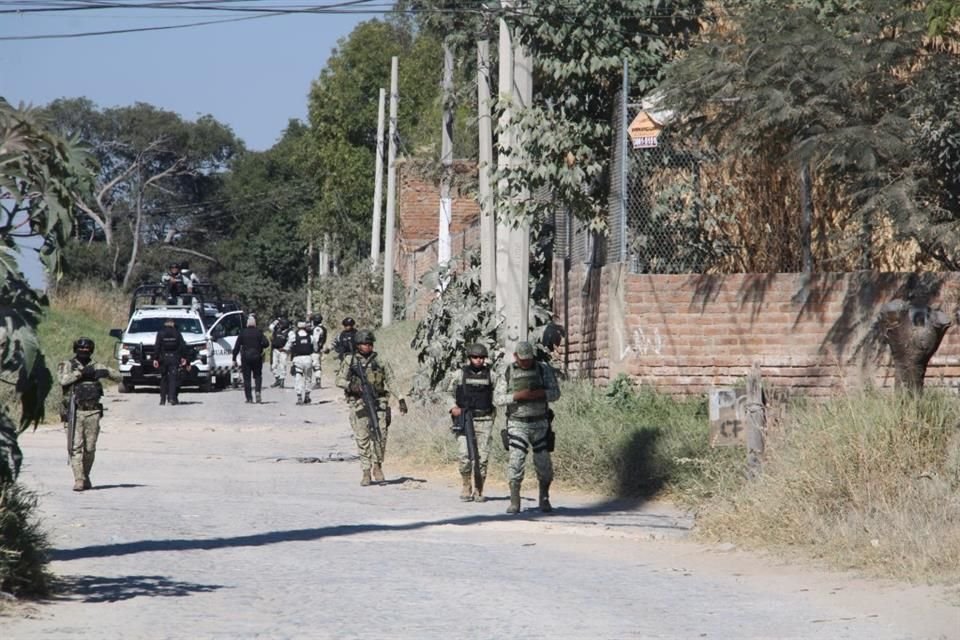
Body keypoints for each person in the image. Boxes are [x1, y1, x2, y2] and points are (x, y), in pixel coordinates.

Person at [493, 340, 561, 514]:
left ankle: (544, 498)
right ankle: (515, 501)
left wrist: (542, 393)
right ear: (516, 357)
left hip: (540, 423)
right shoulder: (508, 371)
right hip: (517, 423)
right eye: (522, 359)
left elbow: (556, 394)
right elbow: (498, 399)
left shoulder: (543, 369)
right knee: (516, 462)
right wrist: (517, 396)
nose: (526, 362)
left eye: (529, 359)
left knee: (544, 464)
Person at [336, 330, 407, 486]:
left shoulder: (380, 360)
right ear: (357, 345)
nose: (367, 347)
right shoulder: (350, 360)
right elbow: (339, 380)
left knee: (380, 436)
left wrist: (400, 398)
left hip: (379, 403)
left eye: (370, 344)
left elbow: (391, 380)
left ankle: (378, 466)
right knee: (362, 439)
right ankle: (366, 471)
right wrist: (351, 386)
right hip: (359, 404)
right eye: (364, 344)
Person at [57, 337, 120, 491]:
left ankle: (85, 475)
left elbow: (119, 377)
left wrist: (104, 372)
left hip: (93, 412)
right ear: (75, 349)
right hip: (74, 412)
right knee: (75, 447)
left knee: (90, 448)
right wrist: (81, 374)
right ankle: (79, 479)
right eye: (80, 349)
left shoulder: (96, 365)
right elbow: (63, 381)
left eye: (87, 349)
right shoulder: (67, 365)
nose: (83, 351)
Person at [443, 343, 496, 502]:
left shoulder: (491, 375)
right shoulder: (459, 375)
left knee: (482, 457)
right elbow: (447, 393)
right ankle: (466, 484)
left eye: (481, 357)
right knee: (465, 455)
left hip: (484, 420)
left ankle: (479, 488)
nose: (478, 360)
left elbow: (498, 395)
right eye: (475, 357)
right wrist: (453, 407)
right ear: (469, 358)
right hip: (465, 419)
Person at [233, 315, 269, 404]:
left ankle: (249, 398)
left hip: (245, 357)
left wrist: (234, 357)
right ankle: (257, 392)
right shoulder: (259, 332)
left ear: (247, 324)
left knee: (247, 378)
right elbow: (266, 343)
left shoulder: (243, 332)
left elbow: (237, 346)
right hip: (257, 357)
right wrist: (260, 346)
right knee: (257, 376)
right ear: (255, 324)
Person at [153, 318, 188, 405]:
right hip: (174, 358)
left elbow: (157, 347)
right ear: (172, 324)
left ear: (165, 324)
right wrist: (183, 357)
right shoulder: (177, 333)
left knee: (163, 378)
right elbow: (182, 346)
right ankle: (171, 398)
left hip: (163, 359)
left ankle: (162, 400)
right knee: (173, 379)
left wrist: (155, 358)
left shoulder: (160, 333)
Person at [285, 320, 315, 405]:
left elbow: (288, 347)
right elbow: (315, 348)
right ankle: (307, 396)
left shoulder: (293, 336)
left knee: (298, 377)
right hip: (308, 358)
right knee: (308, 378)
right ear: (305, 327)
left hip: (297, 359)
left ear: (297, 327)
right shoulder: (310, 337)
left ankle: (299, 397)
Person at [268, 317, 290, 388]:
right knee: (273, 366)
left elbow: (290, 342)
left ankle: (282, 381)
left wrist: (285, 348)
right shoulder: (276, 329)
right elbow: (270, 327)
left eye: (281, 324)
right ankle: (277, 379)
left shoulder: (289, 332)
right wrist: (276, 320)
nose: (279, 325)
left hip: (283, 351)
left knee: (283, 366)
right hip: (275, 350)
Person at [310, 312, 327, 389]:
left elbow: (315, 340)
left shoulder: (317, 329)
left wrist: (315, 349)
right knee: (316, 366)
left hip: (315, 350)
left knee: (316, 367)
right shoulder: (322, 328)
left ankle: (317, 382)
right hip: (318, 350)